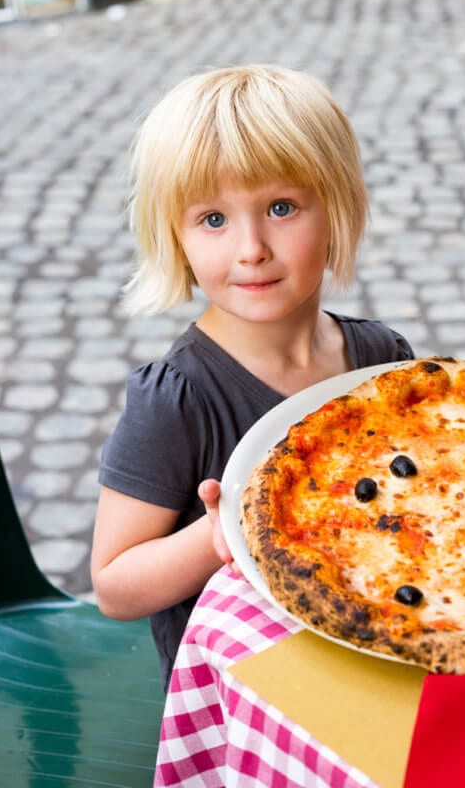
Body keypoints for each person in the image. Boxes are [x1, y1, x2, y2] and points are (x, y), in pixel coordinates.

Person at [91, 65, 414, 689]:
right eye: (213, 219)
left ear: (338, 208)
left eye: (281, 207)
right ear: (175, 237)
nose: (251, 248)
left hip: (368, 654)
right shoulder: (177, 399)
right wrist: (220, 532)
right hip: (242, 693)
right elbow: (115, 587)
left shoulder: (380, 357)